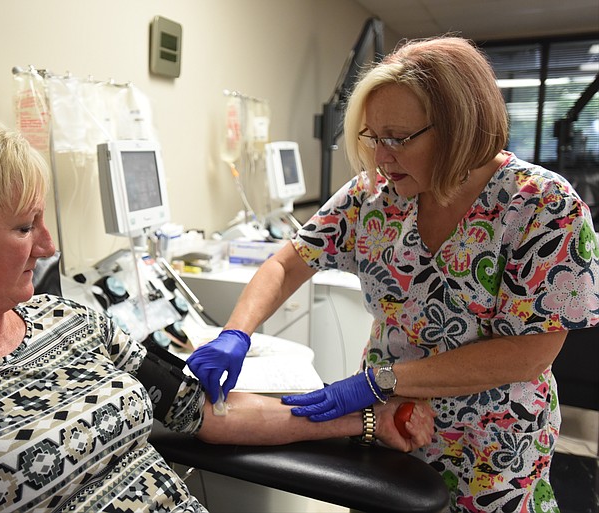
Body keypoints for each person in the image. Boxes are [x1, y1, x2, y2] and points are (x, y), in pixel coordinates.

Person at [0, 115, 434, 512]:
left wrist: (364, 422)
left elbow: (203, 411)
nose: (49, 246)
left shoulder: (72, 322)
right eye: (25, 228)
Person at [187, 36, 599, 512]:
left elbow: (528, 354)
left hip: (492, 446)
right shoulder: (373, 197)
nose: (382, 158)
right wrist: (236, 332)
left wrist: (380, 379)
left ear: (460, 127)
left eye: (399, 138)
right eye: (372, 137)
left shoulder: (544, 208)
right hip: (390, 425)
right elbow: (288, 262)